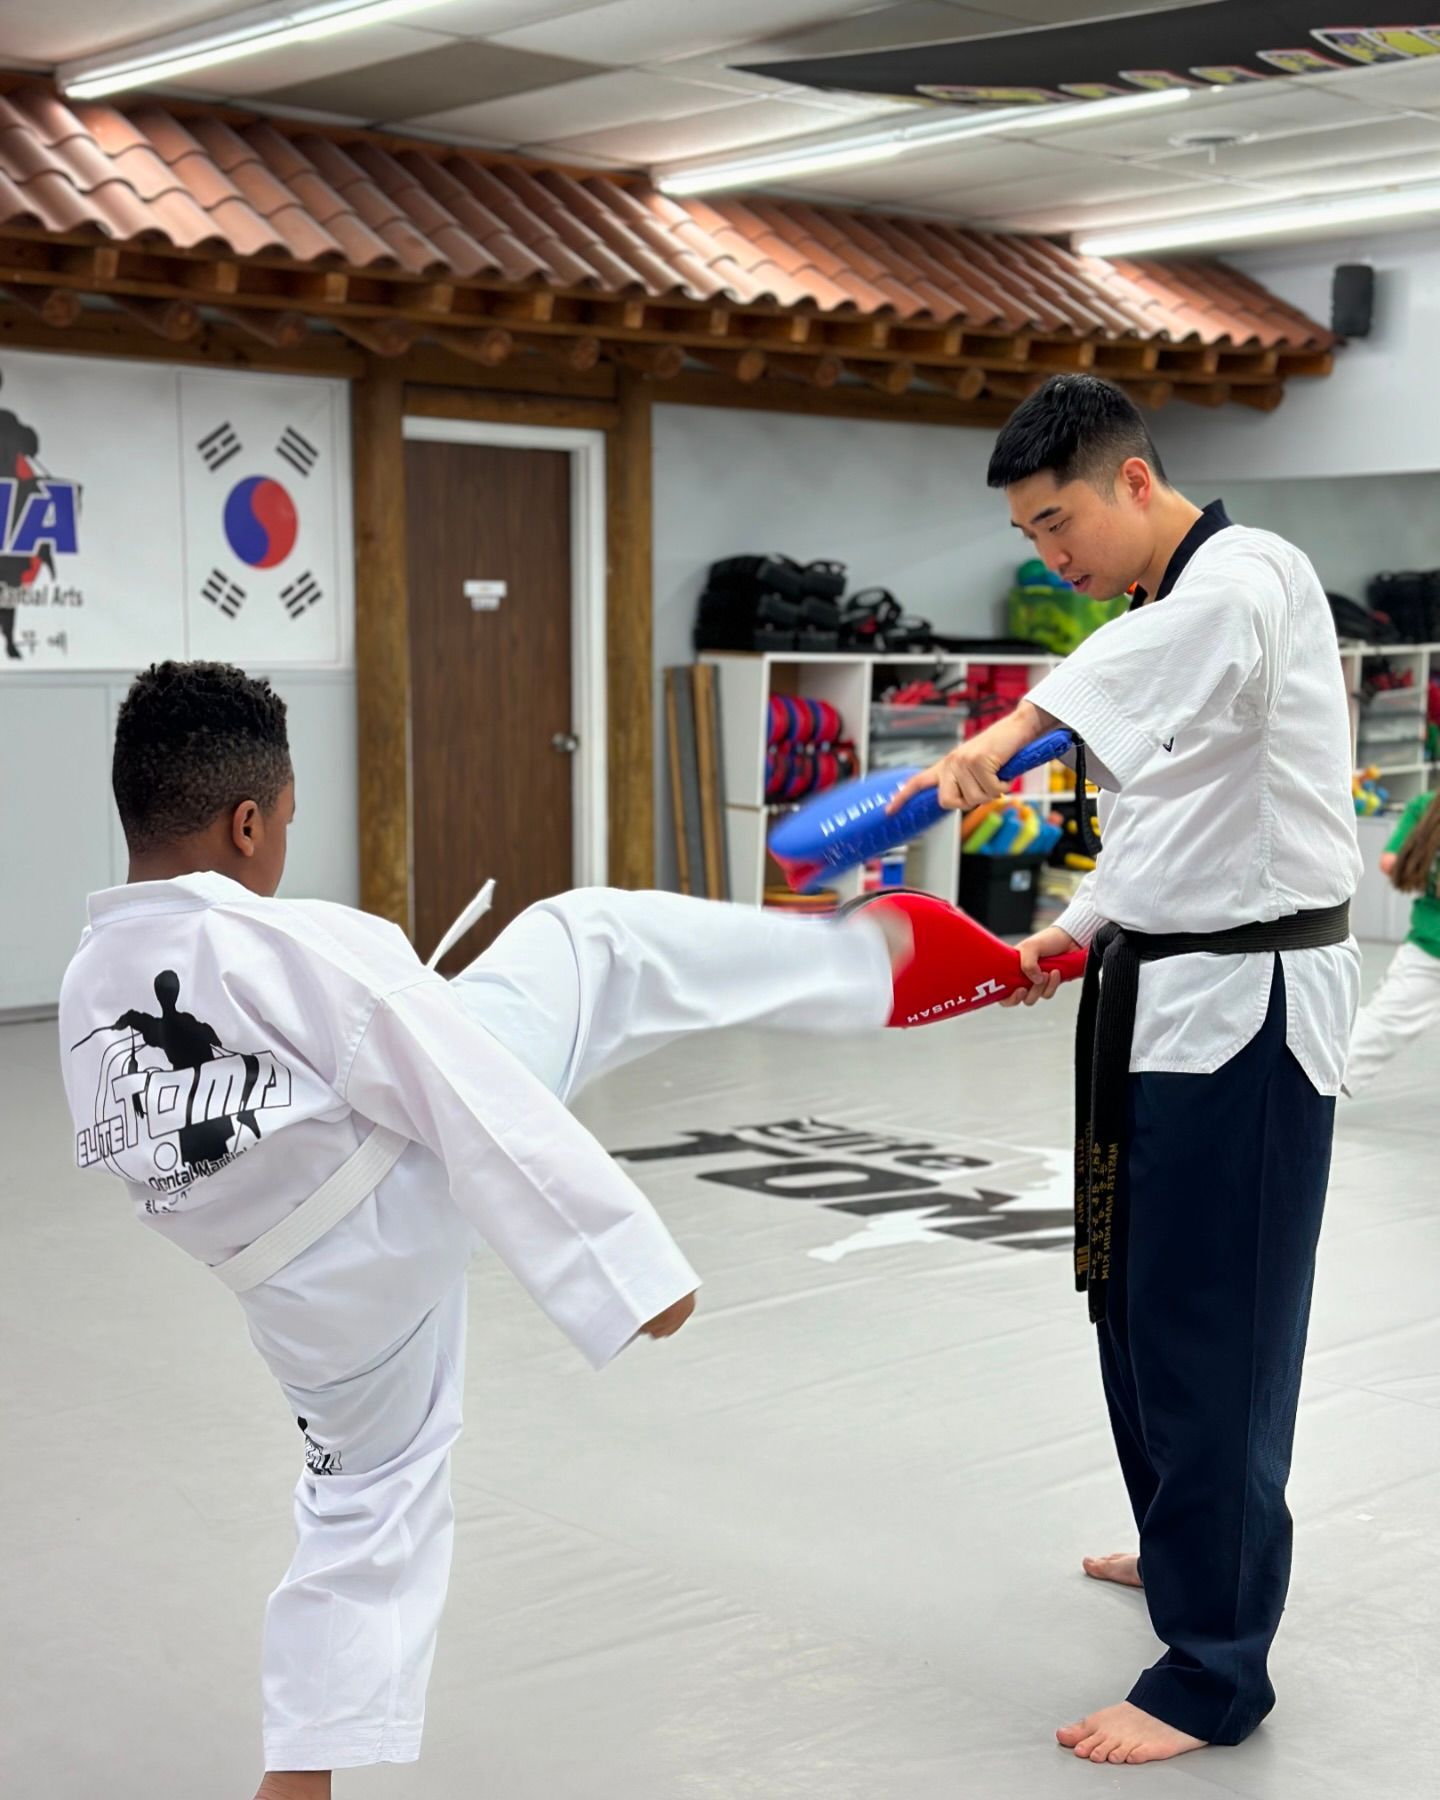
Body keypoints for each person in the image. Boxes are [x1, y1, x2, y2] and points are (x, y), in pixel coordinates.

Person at [58, 660, 927, 1800]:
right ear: (248, 821)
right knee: (593, 939)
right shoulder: (299, 941)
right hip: (395, 1187)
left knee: (367, 1498)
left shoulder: (85, 989)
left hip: (296, 1303)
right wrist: (626, 1268)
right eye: (286, 825)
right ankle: (863, 966)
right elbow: (462, 1092)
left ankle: (300, 1775)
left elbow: (162, 1163)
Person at [893, 376, 1361, 1766]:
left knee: (1218, 1333)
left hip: (1256, 1016)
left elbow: (1118, 716)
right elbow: (1177, 825)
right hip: (1162, 999)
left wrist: (1001, 734)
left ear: (1137, 482)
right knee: (1140, 1308)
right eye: (1032, 537)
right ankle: (1182, 1556)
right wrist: (1072, 934)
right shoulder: (1164, 619)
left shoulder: (1248, 575)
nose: (1054, 556)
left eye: (1060, 522)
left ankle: (1214, 1672)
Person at [1344, 788, 1440, 1095]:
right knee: (1376, 1029)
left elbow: (1390, 861)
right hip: (1429, 946)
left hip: (1428, 944)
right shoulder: (1426, 806)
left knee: (1378, 1028)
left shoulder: (1426, 805)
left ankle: (1311, 1099)